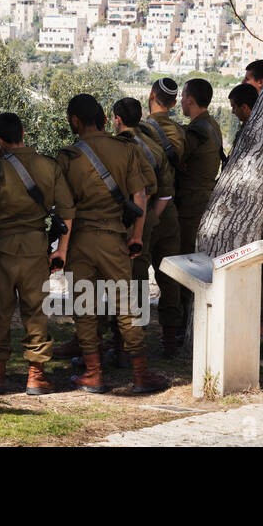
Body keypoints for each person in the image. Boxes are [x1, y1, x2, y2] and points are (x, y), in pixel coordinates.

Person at [55, 94, 167, 394]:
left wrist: (62, 249)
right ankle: (140, 374)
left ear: (75, 120)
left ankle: (93, 373)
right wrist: (136, 236)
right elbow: (140, 196)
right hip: (114, 239)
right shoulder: (125, 149)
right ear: (104, 118)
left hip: (79, 241)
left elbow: (65, 210)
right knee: (126, 305)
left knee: (84, 307)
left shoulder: (68, 157)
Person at [0, 112, 73, 395]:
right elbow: (67, 211)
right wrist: (61, 250)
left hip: (2, 250)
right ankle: (36, 377)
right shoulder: (48, 165)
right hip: (36, 250)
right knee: (36, 311)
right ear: (23, 132)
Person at [103, 97, 171, 364]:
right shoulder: (155, 147)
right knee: (139, 280)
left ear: (117, 119)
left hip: (116, 221)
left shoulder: (112, 148)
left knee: (113, 282)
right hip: (145, 220)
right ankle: (135, 343)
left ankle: (118, 341)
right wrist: (147, 220)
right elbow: (164, 193)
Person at [228, 82, 263, 333]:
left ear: (246, 108)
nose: (233, 112)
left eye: (234, 107)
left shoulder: (253, 132)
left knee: (260, 256)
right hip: (262, 199)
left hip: (255, 200)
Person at [143, 77, 188, 357]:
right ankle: (170, 339)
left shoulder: (141, 131)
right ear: (173, 104)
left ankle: (129, 340)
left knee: (135, 276)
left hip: (144, 212)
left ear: (151, 95)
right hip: (169, 211)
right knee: (170, 278)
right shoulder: (180, 133)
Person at [177, 78, 222, 259]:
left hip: (191, 202)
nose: (180, 100)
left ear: (190, 100)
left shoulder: (197, 130)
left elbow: (177, 158)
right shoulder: (212, 124)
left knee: (186, 257)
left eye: (182, 96)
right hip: (204, 198)